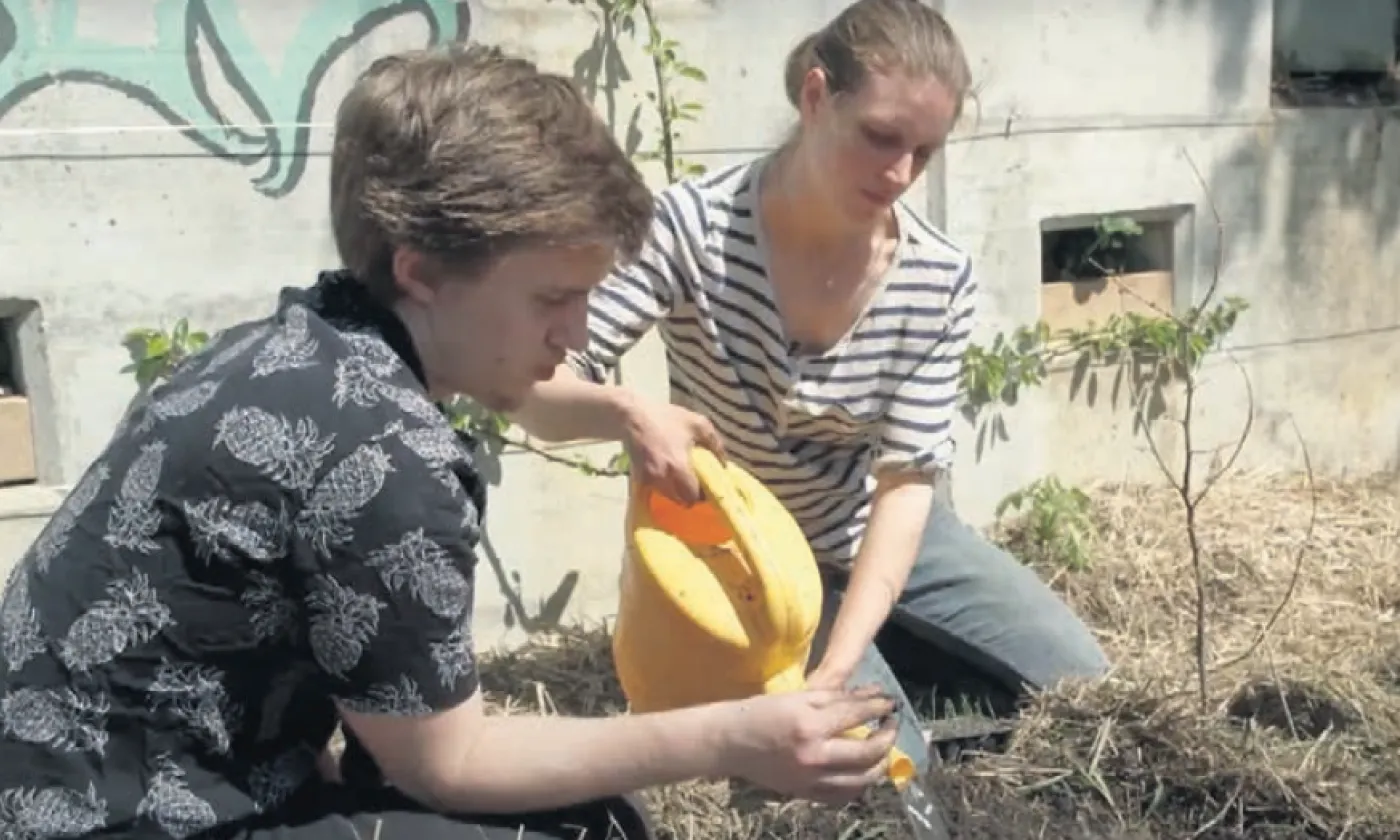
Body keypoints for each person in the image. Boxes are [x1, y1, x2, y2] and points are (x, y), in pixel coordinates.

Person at [0, 42, 904, 840]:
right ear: (421, 269)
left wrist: (624, 414)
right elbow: (443, 762)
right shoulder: (387, 459)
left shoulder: (297, 347)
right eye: (554, 299)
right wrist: (731, 738)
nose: (576, 329)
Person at [513, 0, 1110, 776]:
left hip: (877, 536)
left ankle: (888, 659)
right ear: (818, 96)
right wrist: (627, 411)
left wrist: (836, 666)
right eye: (880, 136)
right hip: (744, 560)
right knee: (885, 774)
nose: (899, 173)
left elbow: (903, 489)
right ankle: (886, 708)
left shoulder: (936, 278)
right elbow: (535, 395)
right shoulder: (694, 228)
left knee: (1087, 688)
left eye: (922, 153)